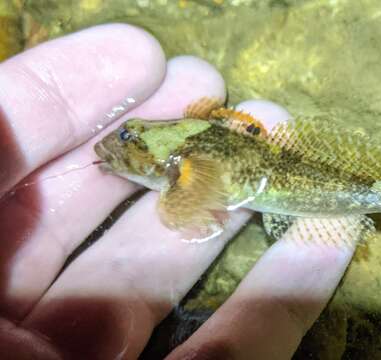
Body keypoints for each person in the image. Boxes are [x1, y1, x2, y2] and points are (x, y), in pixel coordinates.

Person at [0, 24, 356, 360]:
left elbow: (194, 199)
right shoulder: (184, 149)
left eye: (130, 140)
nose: (117, 147)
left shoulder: (188, 168)